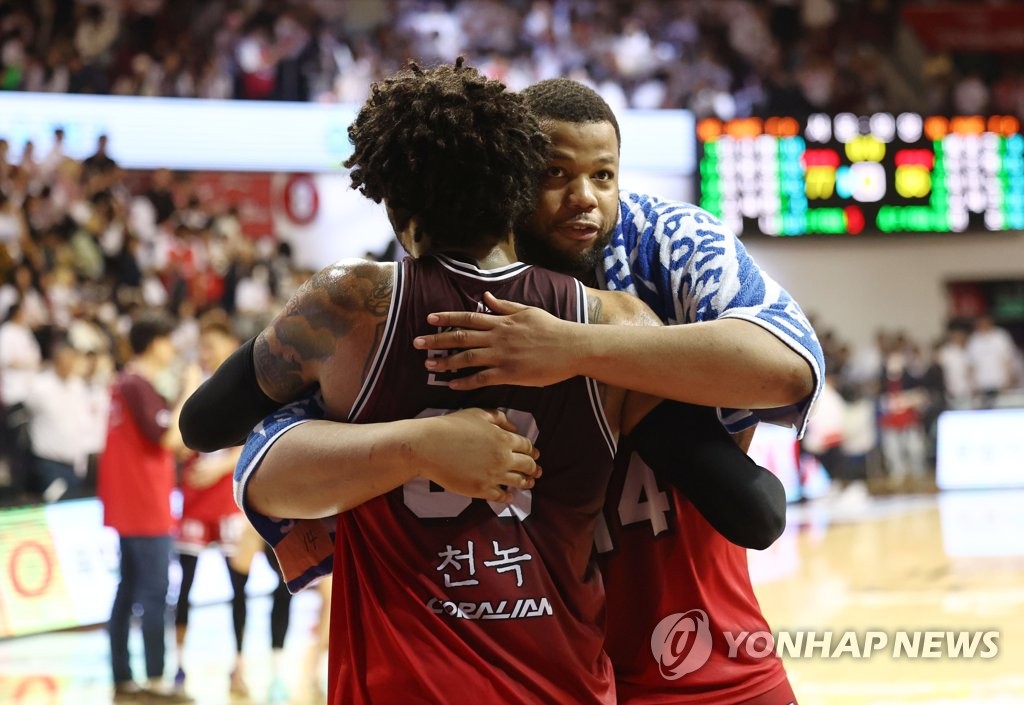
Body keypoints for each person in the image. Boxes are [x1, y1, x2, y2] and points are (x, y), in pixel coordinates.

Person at [182, 76, 814, 703]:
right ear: (514, 183)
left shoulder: (353, 307)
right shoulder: (618, 318)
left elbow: (207, 425)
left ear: (396, 208)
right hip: (575, 674)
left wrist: (411, 440)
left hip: (428, 676)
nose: (584, 200)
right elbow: (754, 509)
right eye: (556, 175)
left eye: (603, 176)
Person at [97, 312, 199, 704]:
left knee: (128, 589)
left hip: (131, 501)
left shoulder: (129, 384)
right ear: (155, 343)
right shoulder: (137, 384)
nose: (172, 348)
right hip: (143, 502)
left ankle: (123, 676)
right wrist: (191, 388)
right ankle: (156, 680)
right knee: (154, 591)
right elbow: (170, 439)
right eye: (168, 340)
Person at [172, 315, 250, 699]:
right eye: (203, 347)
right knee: (184, 585)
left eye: (214, 346)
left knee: (240, 586)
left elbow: (256, 438)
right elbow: (176, 439)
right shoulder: (191, 385)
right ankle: (179, 665)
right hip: (195, 500)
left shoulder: (246, 386)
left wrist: (220, 464)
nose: (207, 353)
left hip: (229, 498)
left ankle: (239, 665)